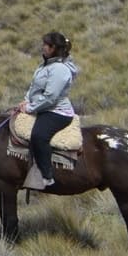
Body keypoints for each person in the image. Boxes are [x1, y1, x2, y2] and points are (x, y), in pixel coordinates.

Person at [18, 31, 79, 189]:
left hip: (57, 112)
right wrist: (26, 101)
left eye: (45, 45)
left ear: (53, 48)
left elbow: (50, 97)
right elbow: (34, 87)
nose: (42, 47)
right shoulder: (45, 65)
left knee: (38, 135)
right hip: (43, 107)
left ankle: (47, 177)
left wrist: (30, 108)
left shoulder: (59, 69)